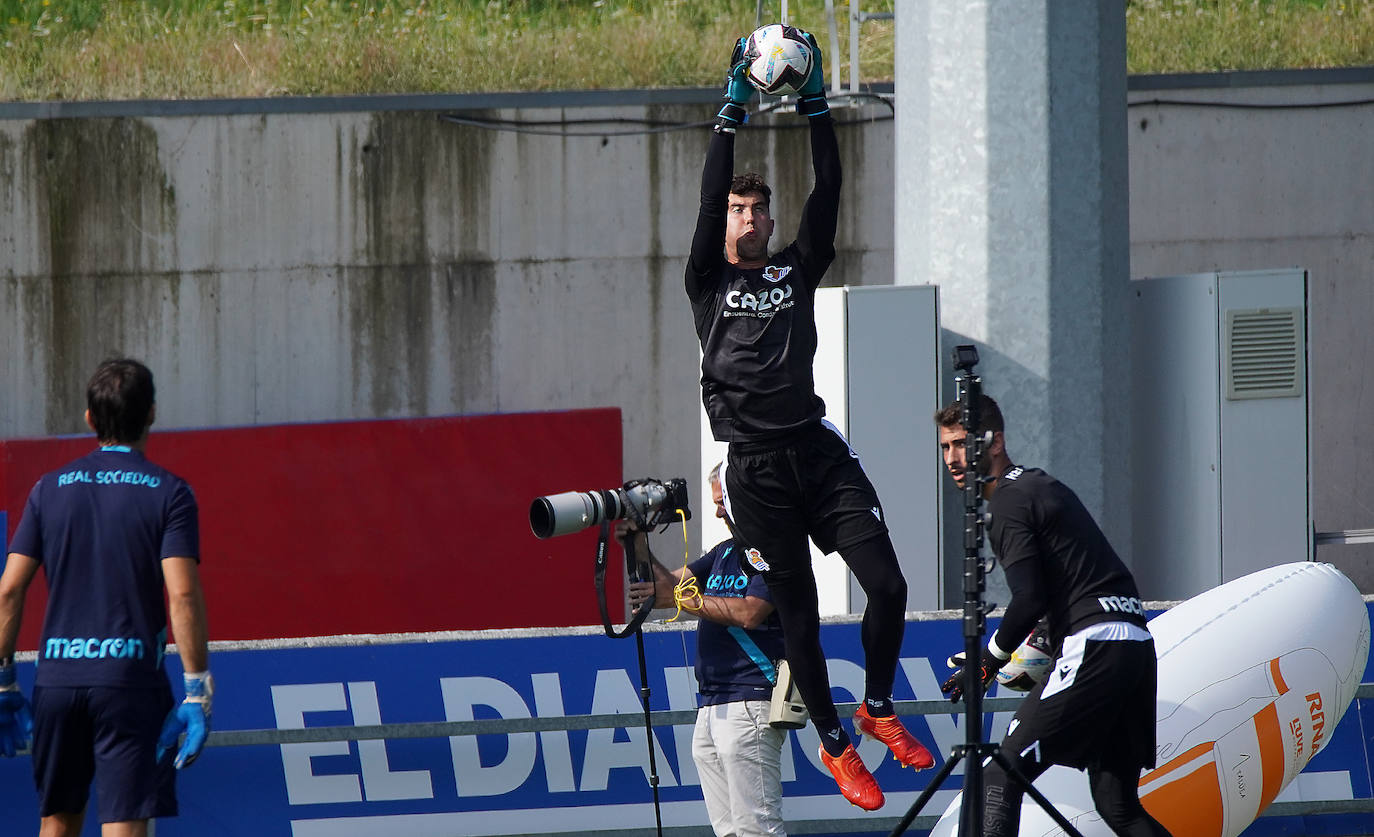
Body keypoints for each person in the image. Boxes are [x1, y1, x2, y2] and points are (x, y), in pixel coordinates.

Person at [685, 31, 932, 811]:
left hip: (817, 453)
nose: (750, 215)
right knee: (798, 613)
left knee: (888, 585)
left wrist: (817, 103)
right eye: (739, 207)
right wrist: (731, 111)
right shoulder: (707, 279)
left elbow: (830, 185)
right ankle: (834, 744)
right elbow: (706, 193)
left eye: (759, 207)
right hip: (754, 469)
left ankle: (879, 705)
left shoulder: (796, 265)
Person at [934, 395, 1171, 837]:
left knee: (999, 773)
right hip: (1135, 644)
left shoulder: (1006, 499)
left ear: (996, 441)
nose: (952, 458)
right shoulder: (1040, 485)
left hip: (1097, 644)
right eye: (945, 447)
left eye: (962, 444)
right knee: (1116, 803)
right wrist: (1044, 641)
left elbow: (1029, 598)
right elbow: (1069, 578)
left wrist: (988, 660)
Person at [0, 358, 213, 837]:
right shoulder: (170, 493)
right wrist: (198, 687)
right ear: (152, 413)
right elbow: (181, 592)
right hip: (128, 682)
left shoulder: (48, 489)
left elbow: (9, 589)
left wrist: (3, 680)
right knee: (125, 827)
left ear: (90, 419)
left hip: (57, 681)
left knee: (55, 824)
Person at [622, 464, 787, 837]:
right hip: (712, 704)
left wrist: (680, 597)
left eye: (722, 503)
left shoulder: (774, 547)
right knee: (729, 831)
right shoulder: (724, 551)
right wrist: (636, 540)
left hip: (749, 700)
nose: (717, 512)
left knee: (758, 828)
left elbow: (749, 612)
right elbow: (670, 587)